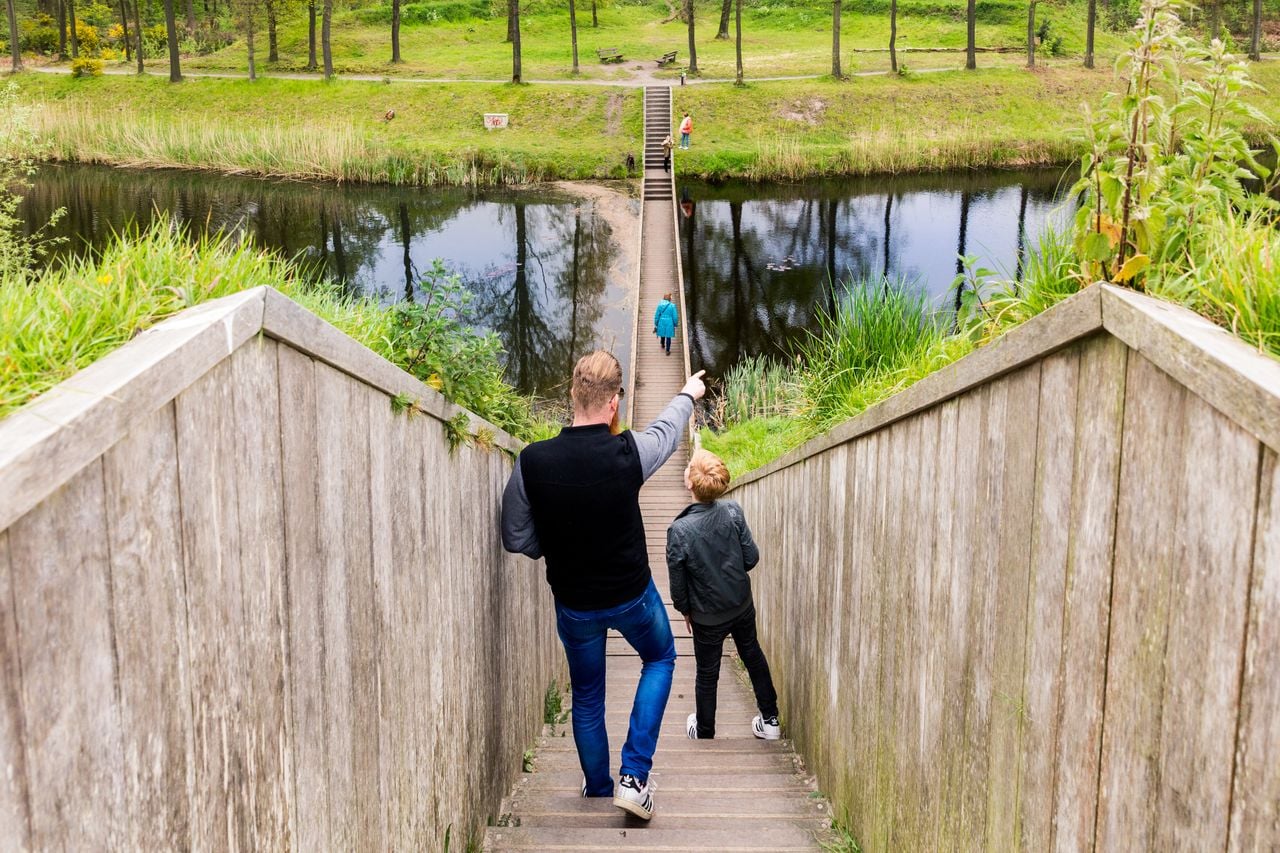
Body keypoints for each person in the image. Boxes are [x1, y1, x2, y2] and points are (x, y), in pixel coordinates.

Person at [502, 351, 707, 821]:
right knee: (660, 657)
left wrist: (551, 545)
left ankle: (598, 787)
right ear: (613, 403)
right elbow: (665, 432)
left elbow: (516, 537)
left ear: (572, 394)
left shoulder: (532, 462)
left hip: (575, 604)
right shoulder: (628, 454)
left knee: (588, 693)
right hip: (632, 597)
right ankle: (634, 778)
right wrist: (687, 395)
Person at [666, 449, 781, 742]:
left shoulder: (679, 530)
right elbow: (751, 557)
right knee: (752, 654)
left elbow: (678, 587)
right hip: (741, 604)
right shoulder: (733, 511)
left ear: (690, 483)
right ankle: (770, 721)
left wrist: (686, 610)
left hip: (707, 615)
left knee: (707, 672)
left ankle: (705, 730)